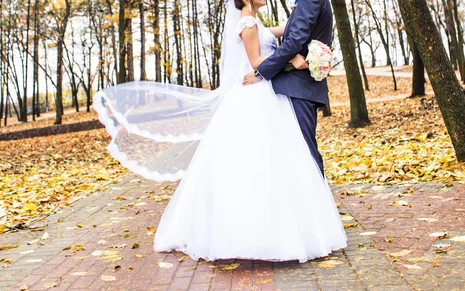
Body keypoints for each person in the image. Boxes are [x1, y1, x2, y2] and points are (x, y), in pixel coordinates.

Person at [93, 0, 346, 263]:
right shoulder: (247, 23)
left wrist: (297, 48)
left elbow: (287, 31)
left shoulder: (256, 22)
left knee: (277, 158)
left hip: (270, 94)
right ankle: (260, 229)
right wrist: (285, 58)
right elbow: (257, 59)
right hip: (256, 92)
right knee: (257, 159)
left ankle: (288, 221)